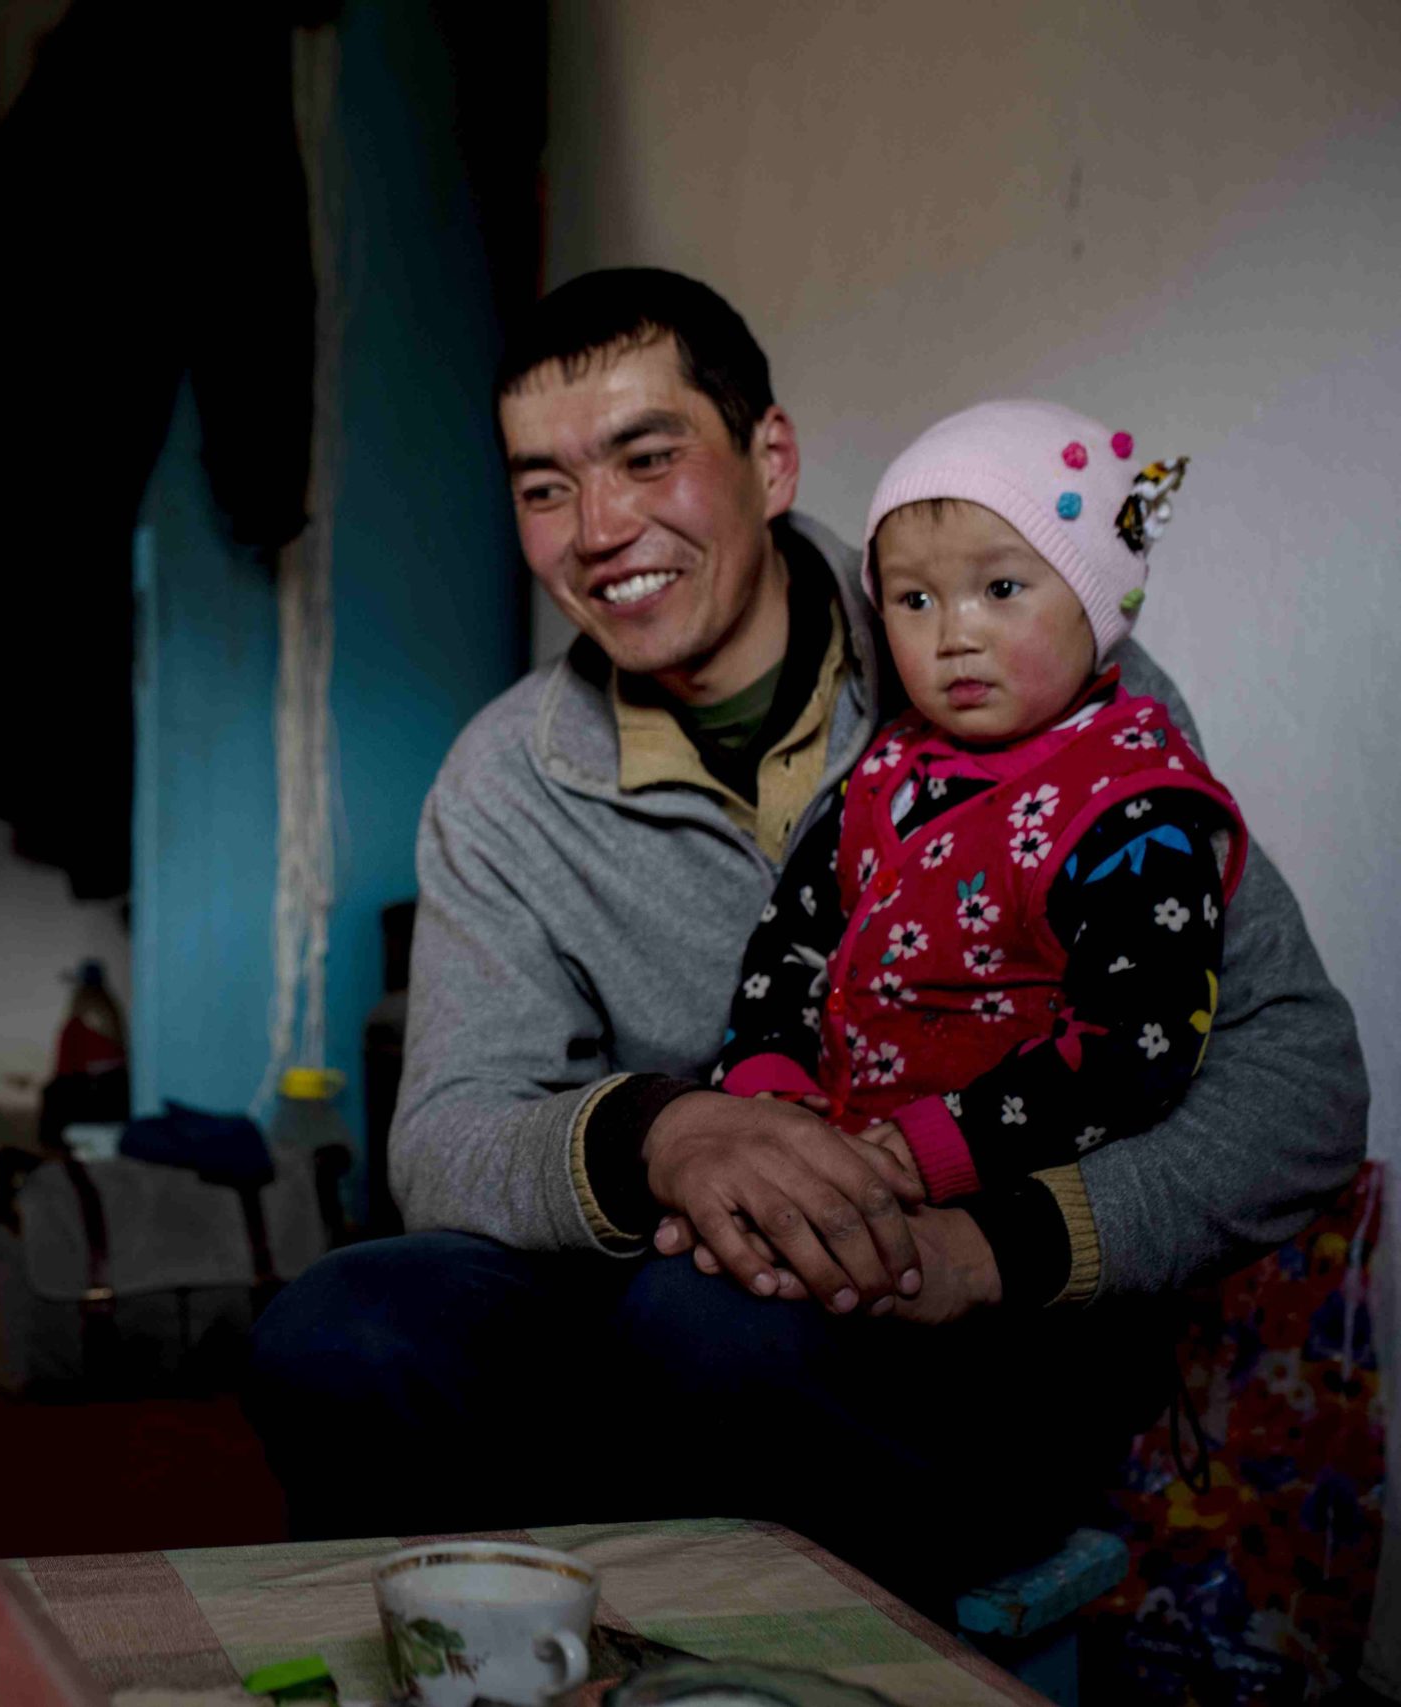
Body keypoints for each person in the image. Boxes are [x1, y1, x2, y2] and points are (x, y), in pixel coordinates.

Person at [242, 270, 1366, 1609]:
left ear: (768, 458)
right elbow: (443, 1136)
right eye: (546, 488)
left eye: (646, 457)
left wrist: (1000, 1245)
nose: (601, 530)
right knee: (343, 1327)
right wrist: (661, 1131)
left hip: (967, 1318)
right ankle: (520, 1641)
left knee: (710, 1336)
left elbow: (1301, 1080)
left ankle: (665, 1610)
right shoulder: (504, 782)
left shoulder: (1040, 671)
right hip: (670, 1296)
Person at [716, 402, 1239, 1214]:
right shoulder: (884, 772)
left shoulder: (1131, 807)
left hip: (1009, 1212)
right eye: (914, 599)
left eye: (1000, 588)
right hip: (829, 1171)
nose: (955, 633)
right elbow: (789, 940)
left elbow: (1143, 1039)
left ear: (1094, 604)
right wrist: (765, 1078)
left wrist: (954, 1143)